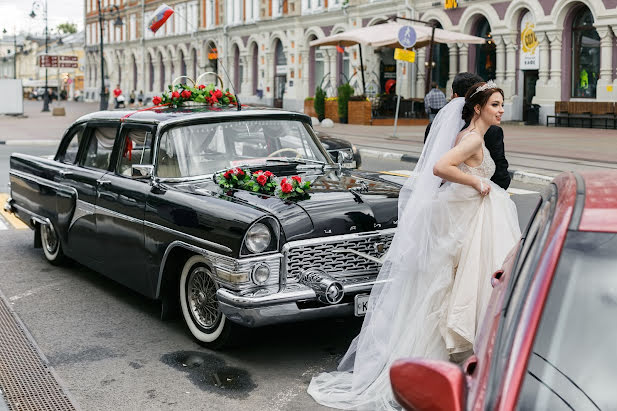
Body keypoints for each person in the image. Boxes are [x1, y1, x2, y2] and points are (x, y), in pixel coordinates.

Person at [307, 81, 521, 410]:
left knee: (452, 288)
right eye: (495, 104)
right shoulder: (474, 137)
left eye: (501, 104)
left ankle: (451, 361)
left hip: (467, 217)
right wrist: (478, 181)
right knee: (464, 286)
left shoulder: (466, 133)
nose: (501, 110)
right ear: (478, 108)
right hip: (468, 218)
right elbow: (441, 167)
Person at [425, 73, 511, 190]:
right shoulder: (485, 133)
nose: (501, 110)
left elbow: (427, 164)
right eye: (495, 104)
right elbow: (501, 175)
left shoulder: (434, 127)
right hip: (473, 199)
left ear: (454, 95)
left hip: (441, 193)